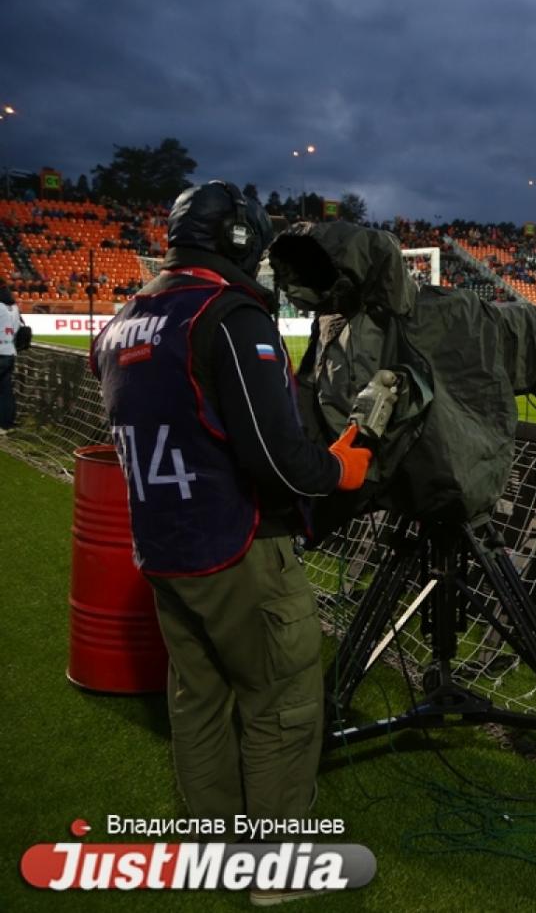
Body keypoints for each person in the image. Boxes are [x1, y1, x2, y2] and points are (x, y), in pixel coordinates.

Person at [89, 182, 372, 898]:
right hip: (237, 544)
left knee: (199, 700)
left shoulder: (123, 321)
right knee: (281, 701)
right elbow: (275, 457)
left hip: (163, 545)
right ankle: (276, 871)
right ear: (238, 241)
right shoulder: (227, 315)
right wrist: (338, 469)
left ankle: (215, 847)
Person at [0, 287, 20, 433]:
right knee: (6, 390)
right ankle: (6, 424)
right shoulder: (14, 308)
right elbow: (17, 328)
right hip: (9, 351)